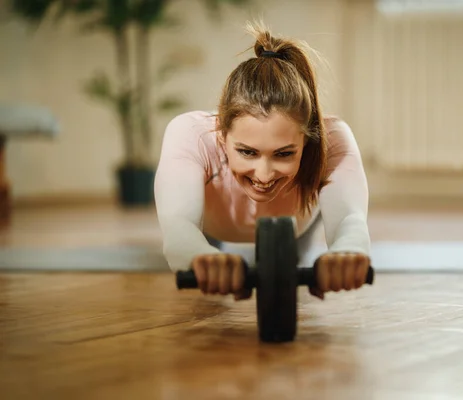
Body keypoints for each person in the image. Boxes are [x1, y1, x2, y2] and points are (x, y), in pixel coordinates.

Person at [154, 21, 371, 301]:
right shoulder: (192, 134)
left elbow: (349, 220)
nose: (264, 175)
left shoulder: (332, 137)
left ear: (306, 141)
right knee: (207, 285)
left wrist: (348, 252)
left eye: (284, 153)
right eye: (247, 152)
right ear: (222, 135)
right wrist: (201, 257)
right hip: (210, 229)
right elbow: (178, 225)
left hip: (295, 230)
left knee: (286, 281)